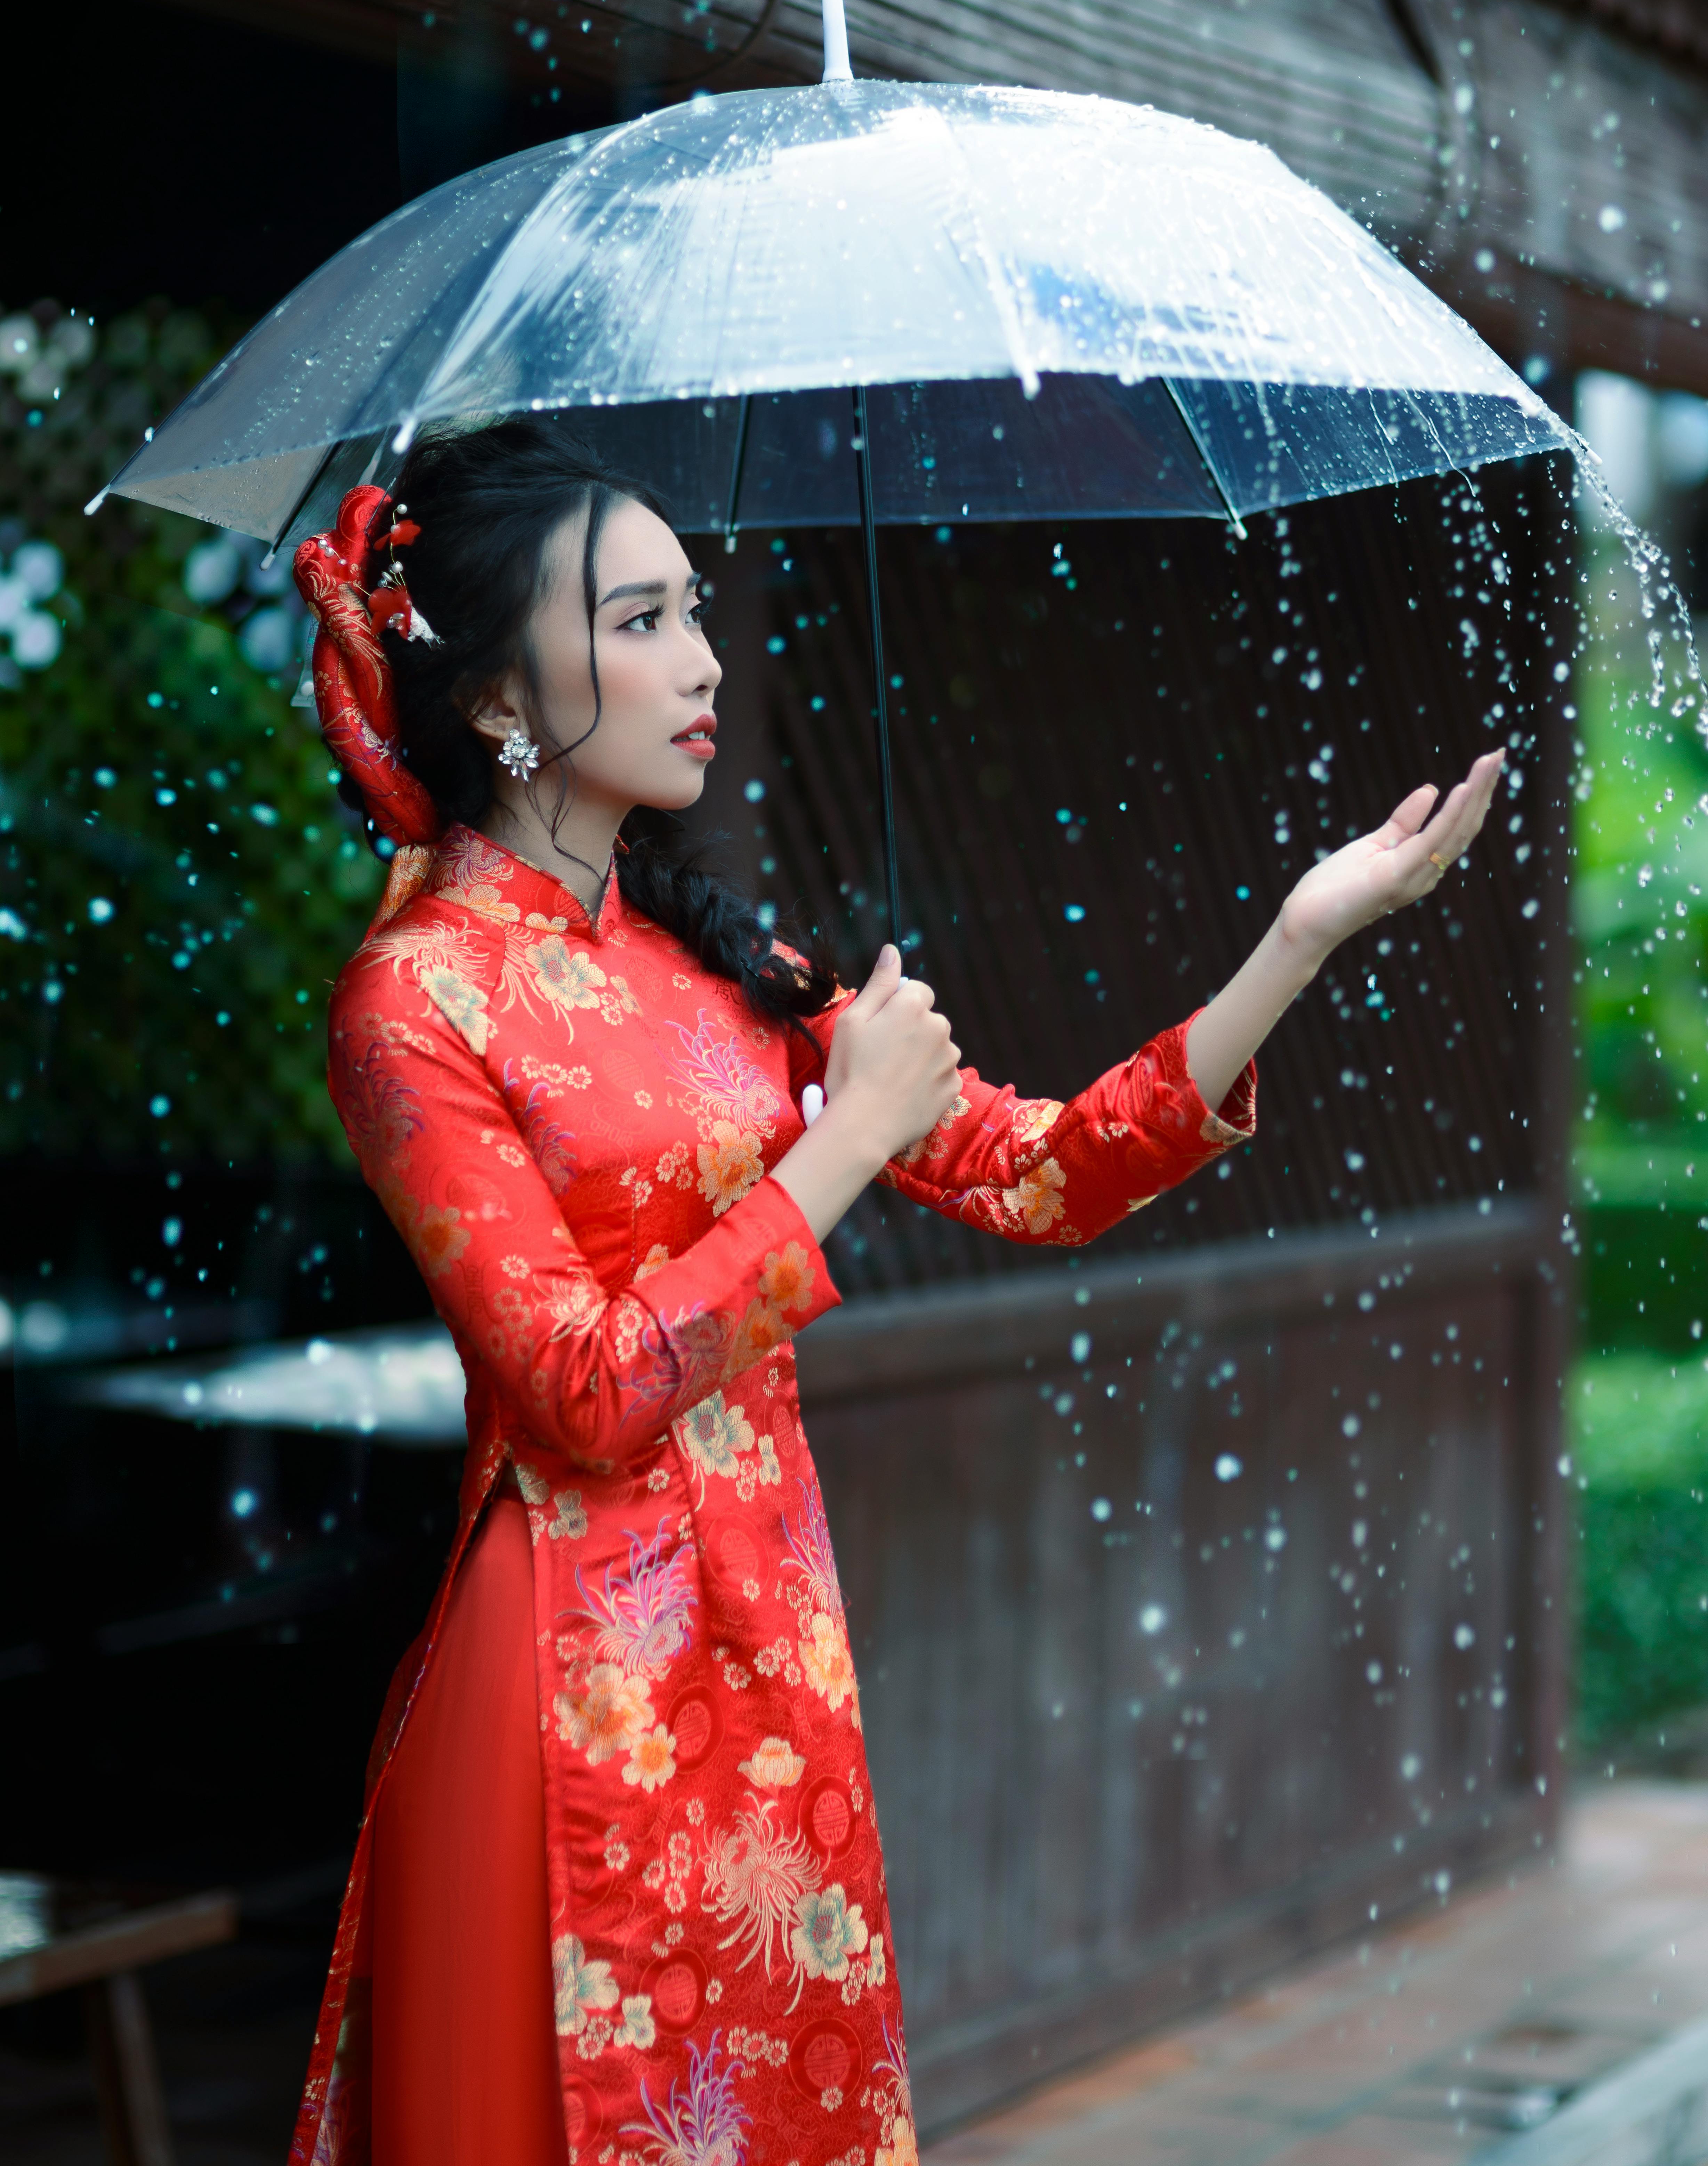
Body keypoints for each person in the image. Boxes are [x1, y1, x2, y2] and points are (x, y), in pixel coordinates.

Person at [287, 415, 1503, 2166]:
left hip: (768, 1644)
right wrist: (836, 1146)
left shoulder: (724, 967)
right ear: (494, 697)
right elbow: (582, 1388)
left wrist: (1301, 935)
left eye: (694, 610)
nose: (700, 660)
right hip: (561, 1675)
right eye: (637, 622)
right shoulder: (413, 1005)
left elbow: (1044, 1170)